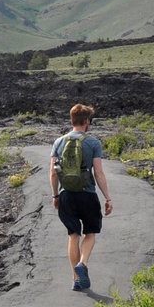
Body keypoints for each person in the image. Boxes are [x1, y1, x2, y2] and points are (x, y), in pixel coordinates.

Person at [48, 103, 113, 291]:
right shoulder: (93, 143)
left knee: (73, 235)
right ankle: (83, 264)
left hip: (66, 195)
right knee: (90, 233)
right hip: (87, 194)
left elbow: (53, 173)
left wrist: (55, 195)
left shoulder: (58, 142)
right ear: (86, 122)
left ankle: (76, 279)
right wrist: (108, 198)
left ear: (72, 120)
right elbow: (99, 173)